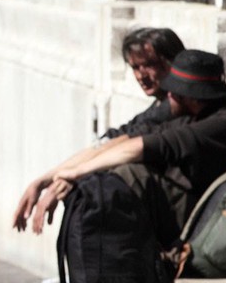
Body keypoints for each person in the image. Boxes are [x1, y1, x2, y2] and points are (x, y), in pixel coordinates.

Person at [21, 49, 226, 244]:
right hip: (183, 219)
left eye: (177, 91)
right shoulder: (187, 116)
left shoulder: (225, 125)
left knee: (124, 176)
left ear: (195, 97)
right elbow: (120, 142)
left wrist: (74, 174)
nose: (169, 94)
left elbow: (138, 148)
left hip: (206, 229)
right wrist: (47, 179)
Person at [10, 27, 183, 228]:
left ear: (173, 63)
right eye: (135, 67)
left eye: (149, 65)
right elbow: (112, 140)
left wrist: (73, 175)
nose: (141, 75)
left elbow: (127, 144)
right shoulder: (159, 106)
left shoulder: (178, 108)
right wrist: (46, 180)